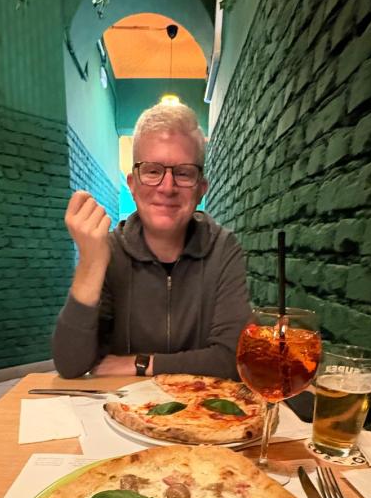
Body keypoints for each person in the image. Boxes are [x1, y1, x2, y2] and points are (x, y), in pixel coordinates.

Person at [52, 102, 251, 380]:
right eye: (152, 171)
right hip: (119, 409)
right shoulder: (108, 251)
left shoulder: (223, 248)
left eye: (183, 173)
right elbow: (70, 365)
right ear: (132, 185)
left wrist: (141, 364)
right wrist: (90, 262)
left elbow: (235, 358)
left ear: (201, 189)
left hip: (200, 411)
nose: (167, 187)